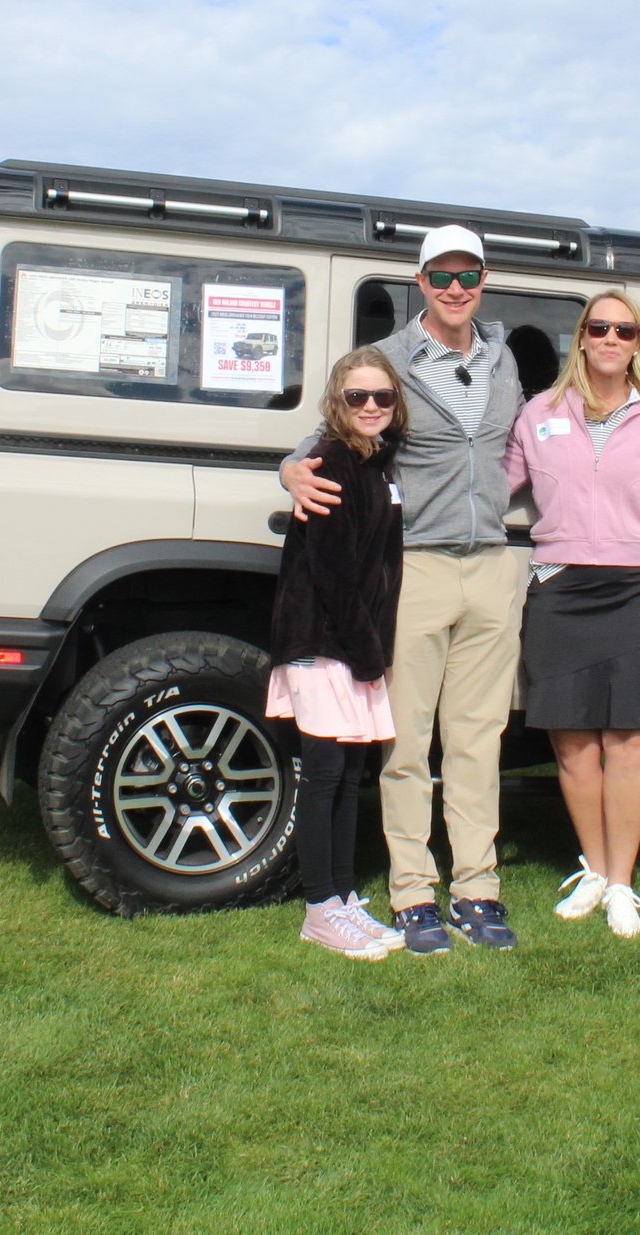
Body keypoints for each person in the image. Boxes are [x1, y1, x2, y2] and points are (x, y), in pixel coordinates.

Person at [282, 226, 525, 955]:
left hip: (491, 563)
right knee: (409, 740)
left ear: (484, 279)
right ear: (420, 281)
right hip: (414, 567)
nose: (456, 288)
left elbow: (514, 446)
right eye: (442, 275)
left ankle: (478, 885)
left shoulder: (503, 357)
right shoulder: (387, 360)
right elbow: (323, 433)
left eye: (469, 274)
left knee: (479, 739)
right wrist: (291, 470)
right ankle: (413, 890)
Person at [504, 290, 640, 938]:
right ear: (581, 338)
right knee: (575, 744)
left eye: (625, 329)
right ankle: (594, 865)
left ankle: (621, 883)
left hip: (636, 592)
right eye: (599, 327)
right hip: (559, 589)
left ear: (637, 342)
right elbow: (491, 483)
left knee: (632, 740)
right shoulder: (540, 414)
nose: (611, 337)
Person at [266, 349, 409, 959]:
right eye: (357, 397)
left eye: (382, 397)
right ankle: (319, 908)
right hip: (325, 646)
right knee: (323, 779)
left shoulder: (372, 462)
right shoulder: (329, 463)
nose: (371, 406)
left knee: (351, 777)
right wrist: (367, 653)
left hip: (351, 649)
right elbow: (333, 575)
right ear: (337, 402)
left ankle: (345, 898)